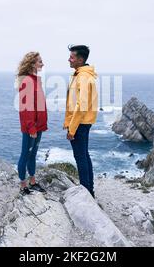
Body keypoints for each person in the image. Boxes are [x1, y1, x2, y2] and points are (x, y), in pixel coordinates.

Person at [63, 45, 98, 198]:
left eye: (72, 57)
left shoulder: (83, 77)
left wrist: (72, 128)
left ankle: (85, 193)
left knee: (80, 157)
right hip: (84, 122)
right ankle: (89, 190)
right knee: (84, 155)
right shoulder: (82, 74)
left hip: (80, 123)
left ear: (80, 59)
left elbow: (81, 105)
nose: (69, 59)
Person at [16, 52, 48, 196]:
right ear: (32, 64)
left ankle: (33, 181)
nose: (42, 64)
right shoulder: (27, 81)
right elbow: (26, 108)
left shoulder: (35, 80)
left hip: (38, 125)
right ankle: (23, 185)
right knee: (25, 154)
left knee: (33, 154)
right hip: (31, 127)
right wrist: (31, 127)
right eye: (40, 61)